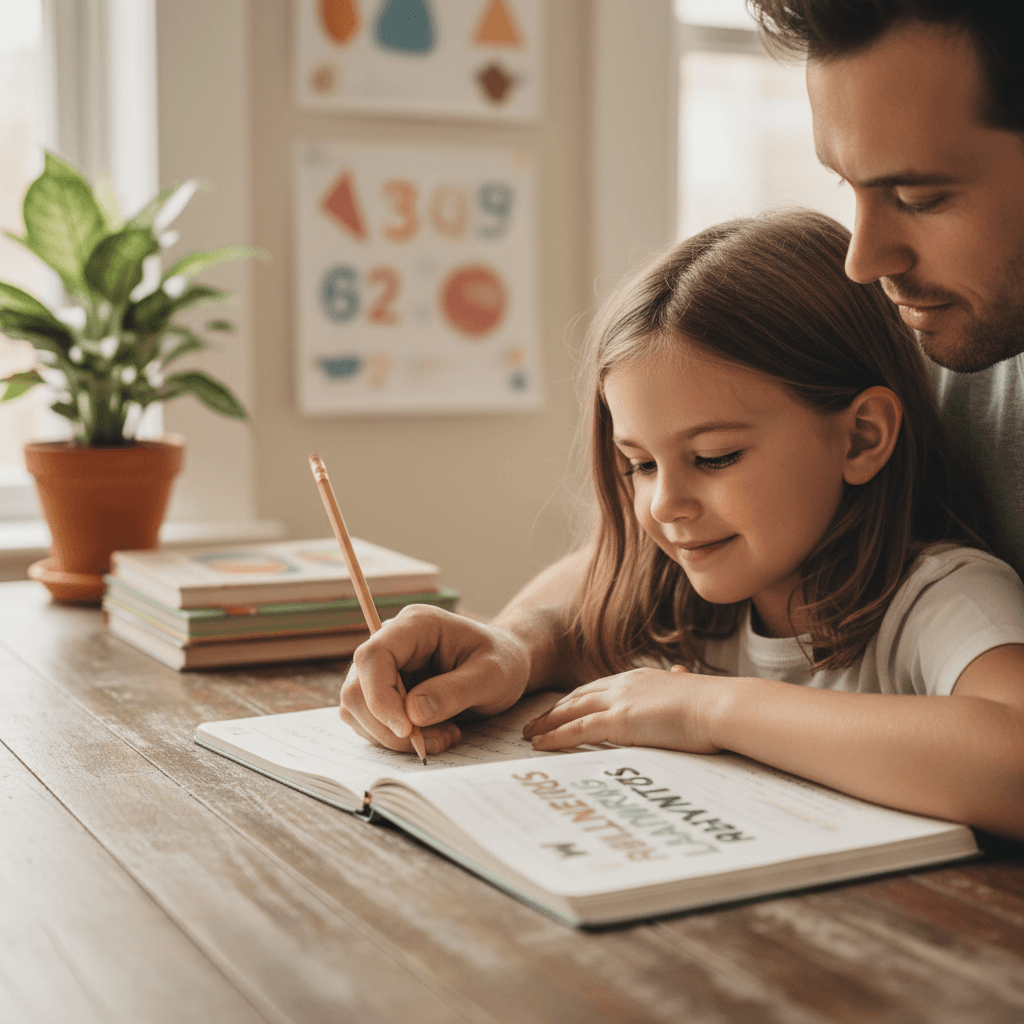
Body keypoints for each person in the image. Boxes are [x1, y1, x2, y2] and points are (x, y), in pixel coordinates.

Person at [341, 1, 1024, 825]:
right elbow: (644, 549)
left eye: (918, 194)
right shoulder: (930, 320)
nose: (862, 260)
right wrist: (518, 642)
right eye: (847, 187)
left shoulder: (939, 588)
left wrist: (708, 706)